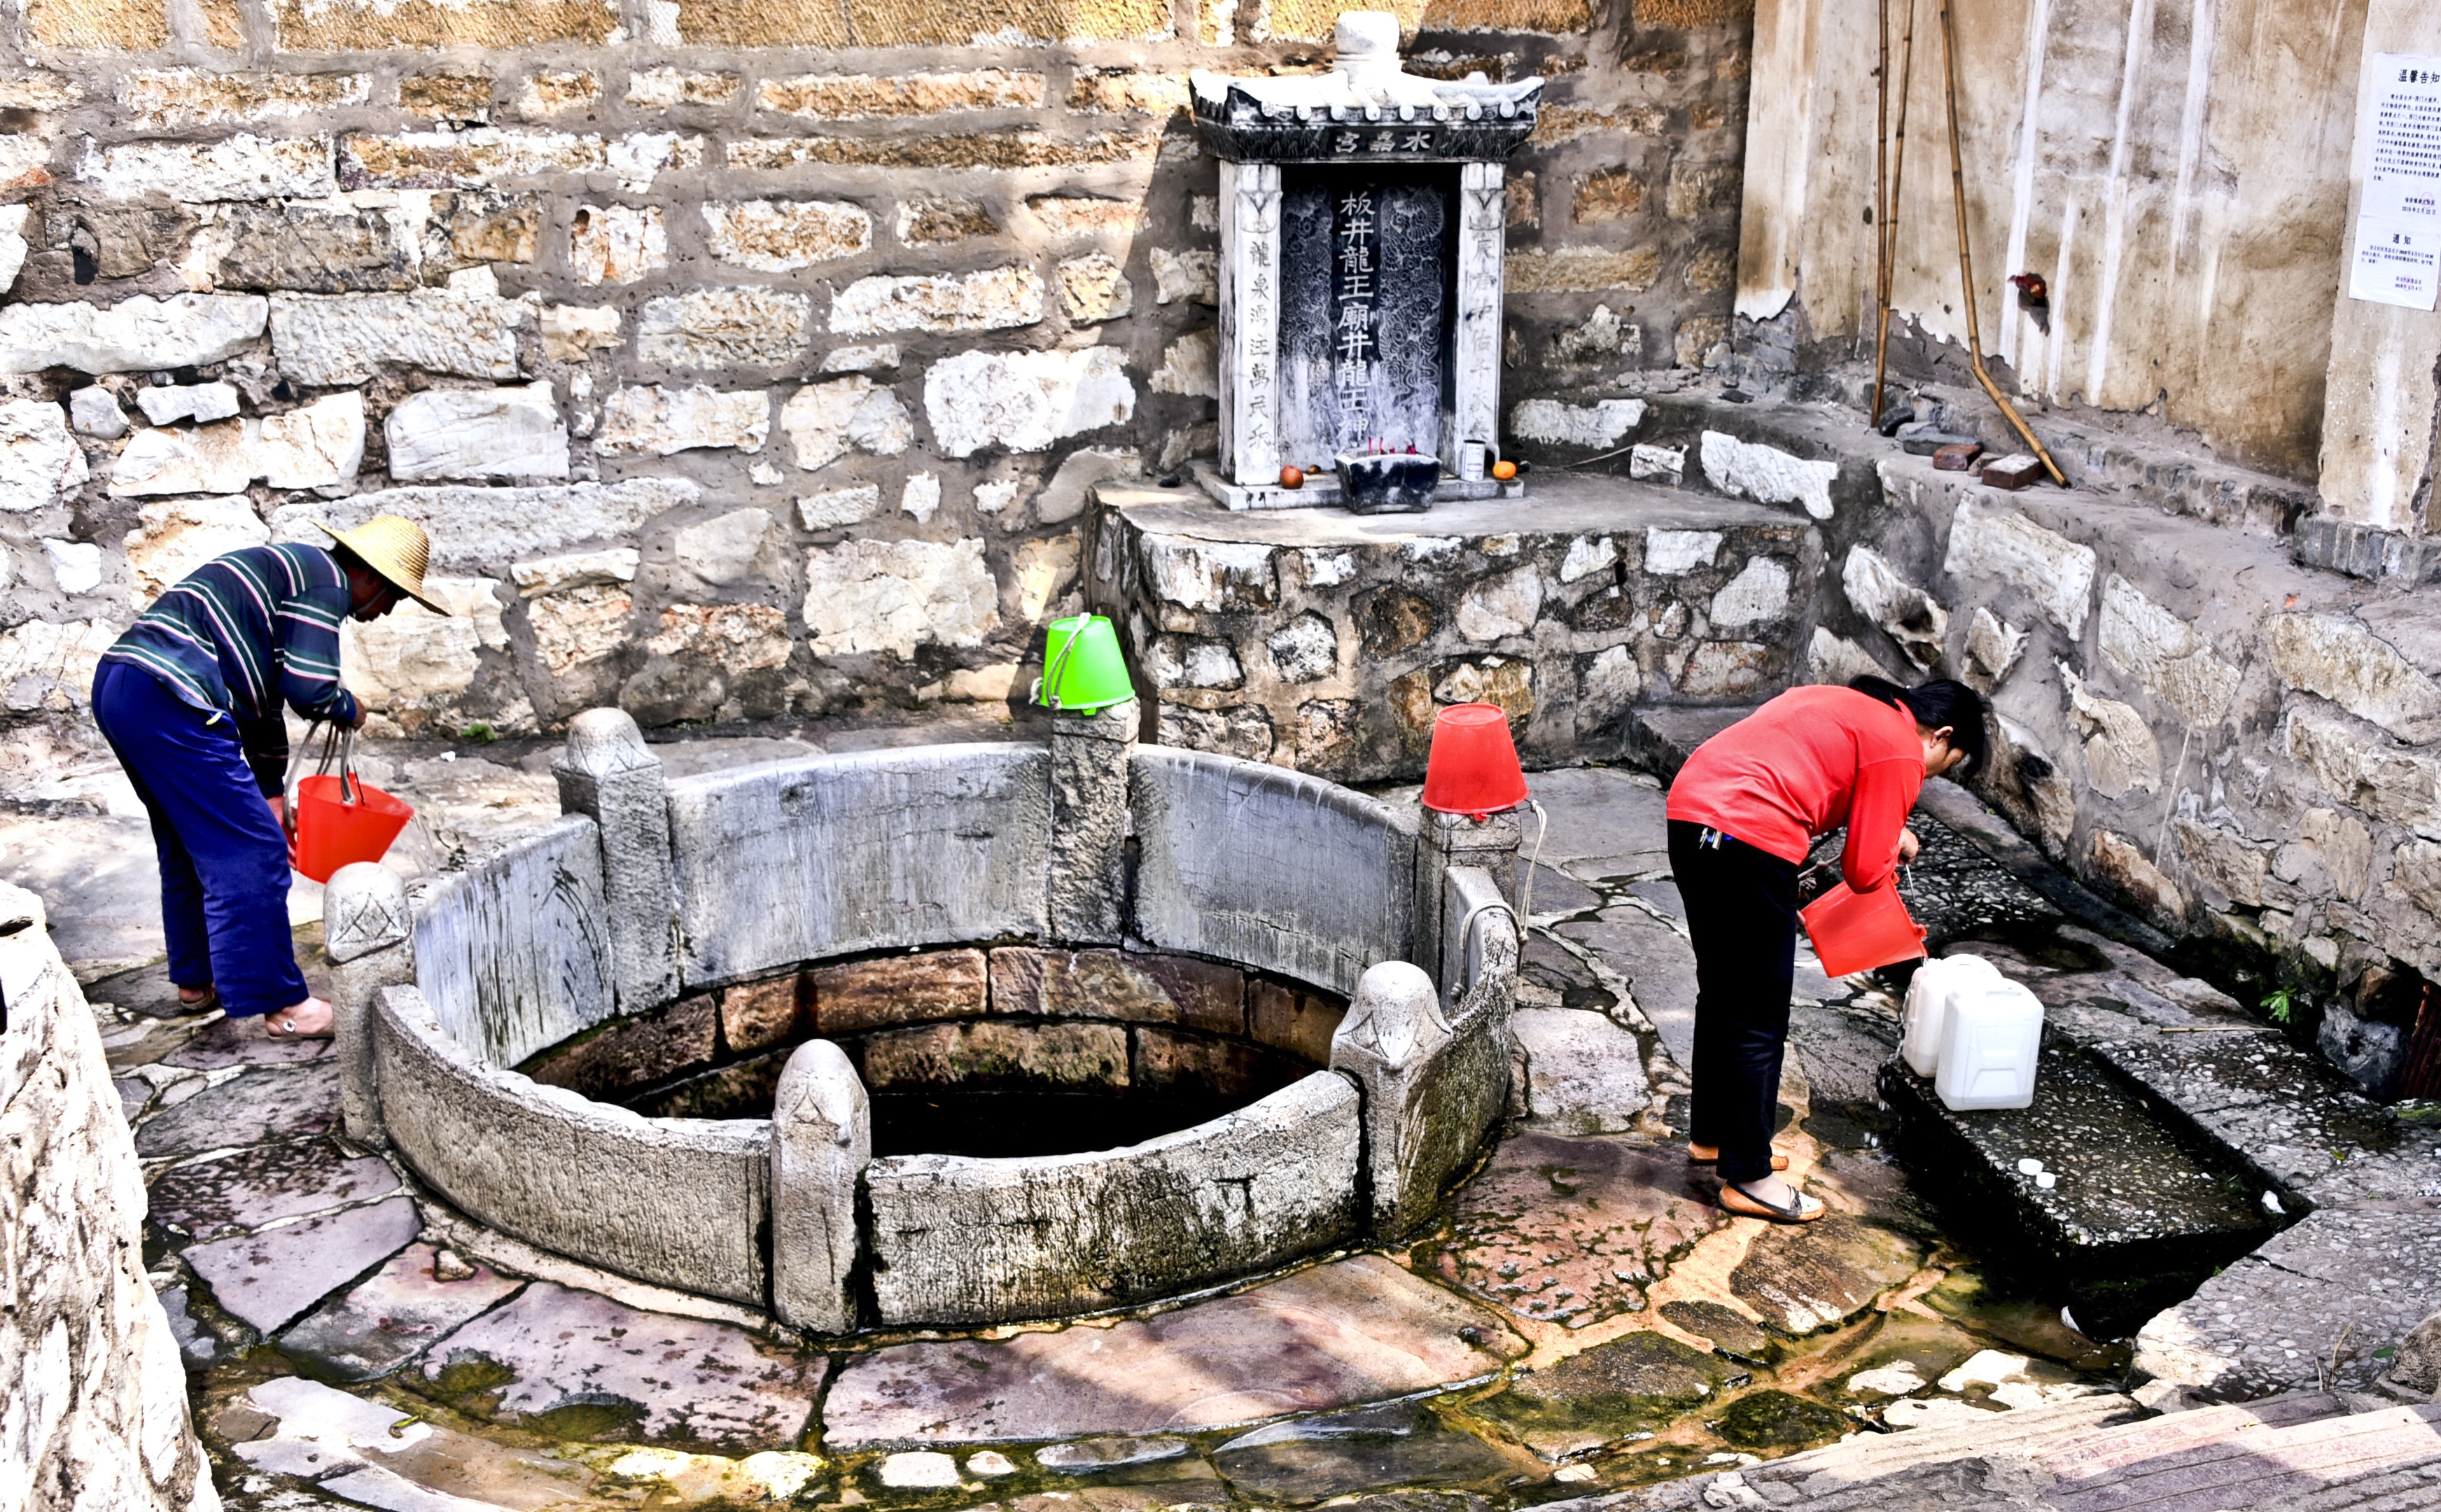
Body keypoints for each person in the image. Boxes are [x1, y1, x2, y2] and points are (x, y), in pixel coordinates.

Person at [92, 517, 447, 1038]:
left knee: (187, 841)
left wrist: (274, 797)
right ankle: (284, 1007)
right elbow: (309, 688)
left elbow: (261, 705)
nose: (387, 611)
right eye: (393, 596)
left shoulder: (289, 574)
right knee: (252, 852)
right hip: (174, 697)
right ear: (371, 578)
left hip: (124, 685)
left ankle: (198, 980)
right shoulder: (325, 583)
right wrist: (350, 708)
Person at [1664, 675, 1987, 1224]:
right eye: (1949, 763)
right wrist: (1893, 843)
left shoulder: (1841, 700)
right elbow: (1864, 871)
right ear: (1941, 736)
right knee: (1758, 1015)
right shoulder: (1900, 745)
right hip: (1747, 837)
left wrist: (1891, 831)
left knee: (1723, 995)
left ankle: (1719, 1140)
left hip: (1693, 818)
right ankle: (1750, 1180)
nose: (1933, 774)